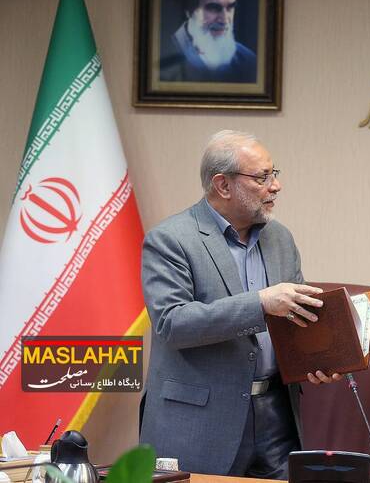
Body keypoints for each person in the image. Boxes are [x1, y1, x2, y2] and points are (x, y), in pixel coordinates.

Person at [139, 130, 338, 477]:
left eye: (274, 174)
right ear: (223, 185)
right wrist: (260, 303)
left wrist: (318, 359)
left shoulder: (280, 238)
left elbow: (297, 316)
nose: (276, 186)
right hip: (200, 422)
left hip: (276, 416)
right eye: (262, 177)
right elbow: (172, 323)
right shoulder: (170, 239)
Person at [160, 0, 257, 83]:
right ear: (189, 10)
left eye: (230, 8)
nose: (224, 20)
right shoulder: (163, 54)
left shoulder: (247, 60)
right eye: (214, 8)